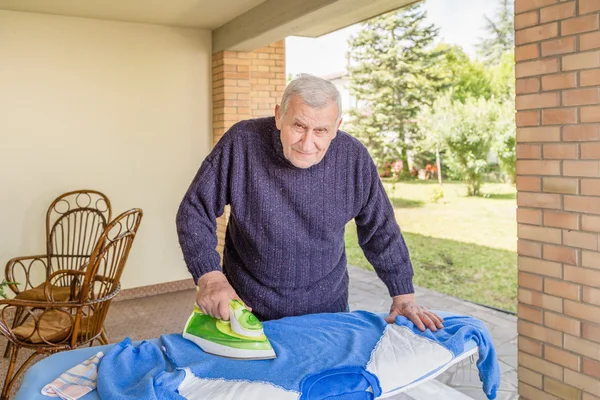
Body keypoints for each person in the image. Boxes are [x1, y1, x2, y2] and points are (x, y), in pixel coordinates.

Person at [176, 73, 443, 332]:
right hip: (247, 308)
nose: (307, 143)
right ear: (279, 116)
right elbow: (194, 210)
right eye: (299, 126)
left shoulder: (353, 159)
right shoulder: (242, 142)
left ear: (336, 128)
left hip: (328, 312)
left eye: (320, 131)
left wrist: (403, 295)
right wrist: (210, 277)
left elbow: (381, 230)